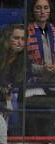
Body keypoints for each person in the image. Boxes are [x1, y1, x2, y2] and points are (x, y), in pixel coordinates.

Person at [24, 0, 55, 136]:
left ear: (50, 10)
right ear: (33, 10)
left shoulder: (54, 30)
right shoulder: (25, 32)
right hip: (33, 84)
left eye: (45, 8)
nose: (42, 11)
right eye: (38, 8)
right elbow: (21, 63)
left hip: (53, 82)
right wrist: (41, 69)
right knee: (39, 105)